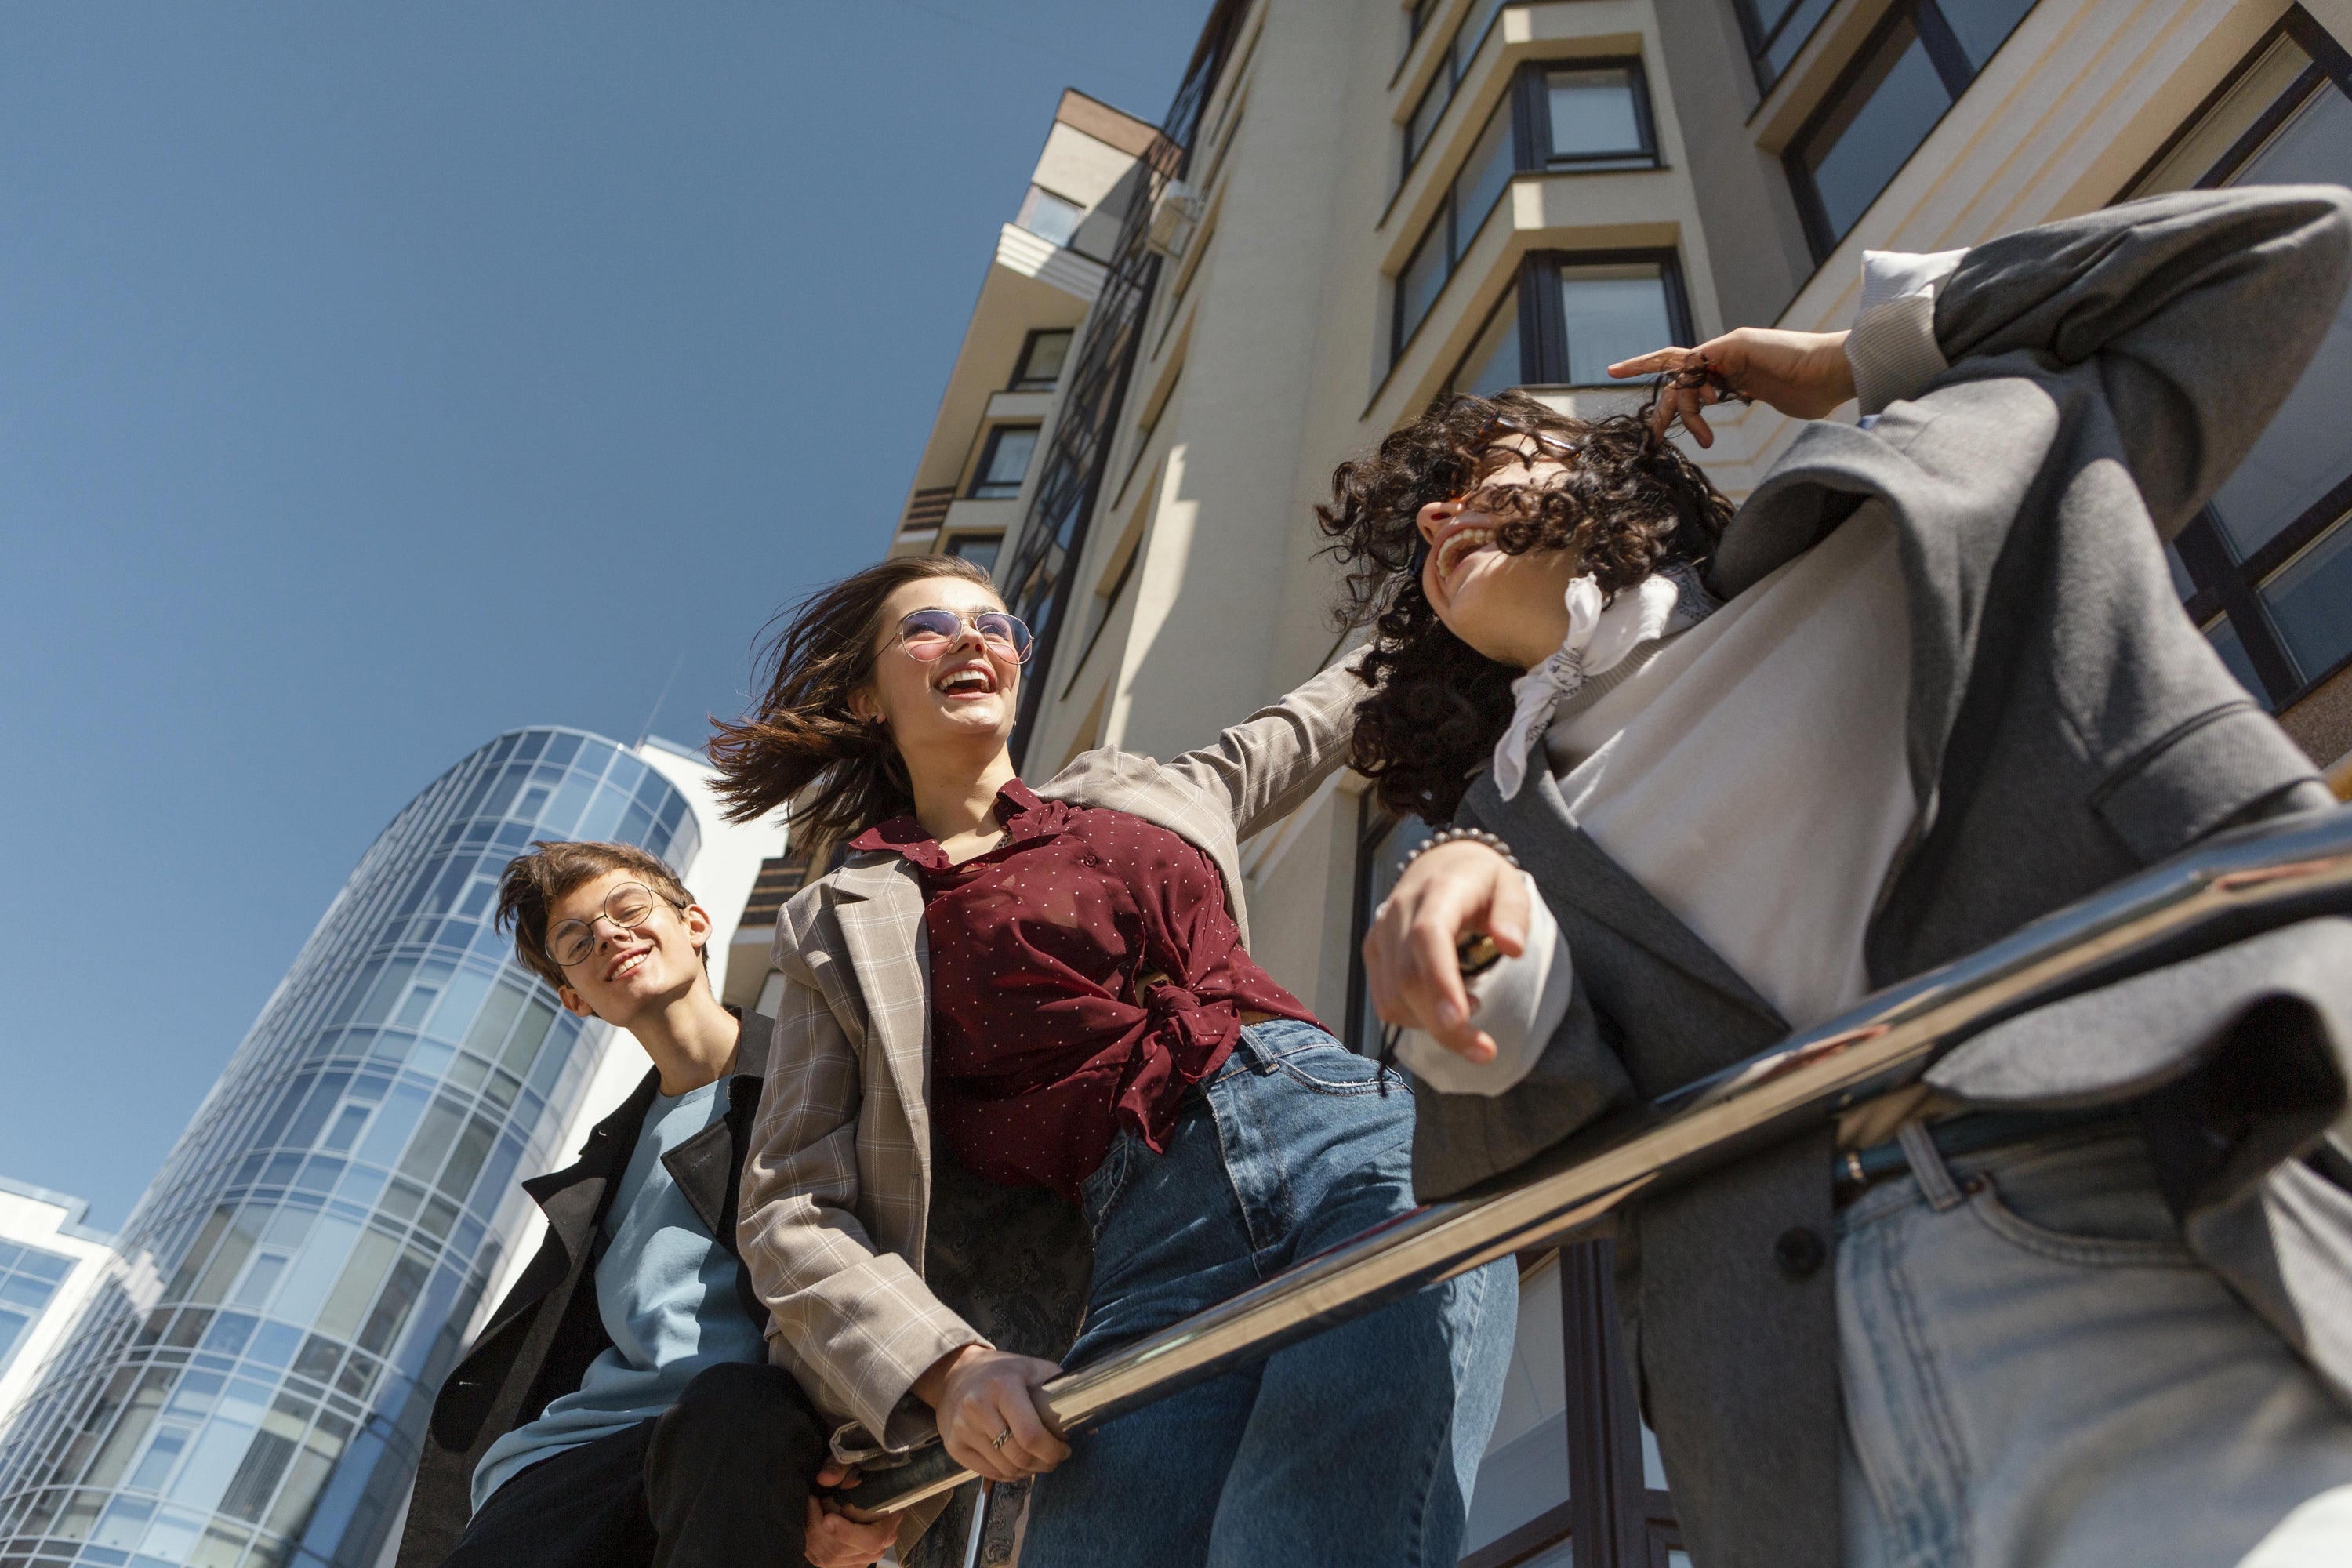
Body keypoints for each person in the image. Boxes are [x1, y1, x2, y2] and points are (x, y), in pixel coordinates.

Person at [1336, 184, 2352, 1568]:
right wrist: (1479, 952)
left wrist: (1859, 349)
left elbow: (2280, 249)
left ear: (1612, 472)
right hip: (1793, 1426)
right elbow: (1499, 1130)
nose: (1455, 510)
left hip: (2141, 1222)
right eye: (1427, 523)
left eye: (1508, 455)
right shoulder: (1482, 831)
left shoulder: (1898, 510)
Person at [708, 554, 1517, 1568]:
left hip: (1346, 1146)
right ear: (867, 695)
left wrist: (1462, 537)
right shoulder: (836, 921)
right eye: (930, 626)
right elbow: (791, 1209)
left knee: (1305, 1542)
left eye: (996, 625)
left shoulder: (1155, 792)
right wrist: (946, 1369)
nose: (973, 639)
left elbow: (1343, 696)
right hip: (1137, 1251)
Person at [395, 840, 898, 1568]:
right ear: (576, 999)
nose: (609, 935)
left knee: (735, 1406)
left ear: (694, 922)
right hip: (565, 1467)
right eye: (577, 941)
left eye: (628, 908)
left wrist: (854, 1486)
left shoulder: (818, 1069)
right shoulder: (602, 1164)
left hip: (738, 1443)